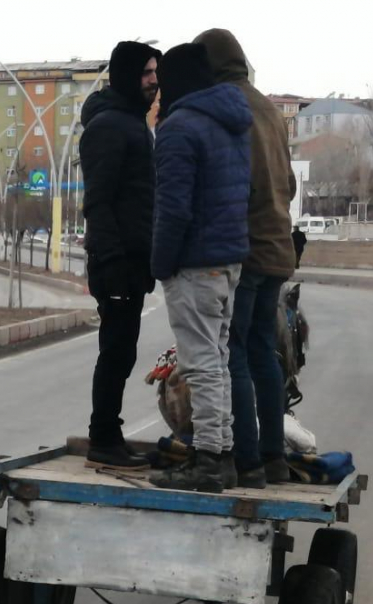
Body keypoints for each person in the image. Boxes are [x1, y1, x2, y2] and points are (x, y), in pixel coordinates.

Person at [149, 42, 253, 492]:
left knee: (201, 365)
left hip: (195, 263)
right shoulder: (231, 123)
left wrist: (161, 263)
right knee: (219, 360)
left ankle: (208, 460)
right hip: (229, 259)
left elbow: (173, 208)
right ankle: (222, 454)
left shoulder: (179, 128)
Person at [197, 29, 298, 488]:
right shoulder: (271, 110)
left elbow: (232, 182)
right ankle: (274, 457)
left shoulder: (224, 108)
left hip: (245, 248)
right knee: (264, 352)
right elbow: (289, 185)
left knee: (231, 351)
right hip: (279, 248)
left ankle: (248, 461)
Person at [79, 40, 162, 469]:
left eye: (155, 73)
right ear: (129, 76)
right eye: (147, 73)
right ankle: (104, 439)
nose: (154, 81)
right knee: (115, 350)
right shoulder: (111, 126)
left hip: (132, 260)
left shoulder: (132, 123)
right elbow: (99, 201)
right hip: (117, 262)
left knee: (123, 349)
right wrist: (111, 262)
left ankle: (110, 434)